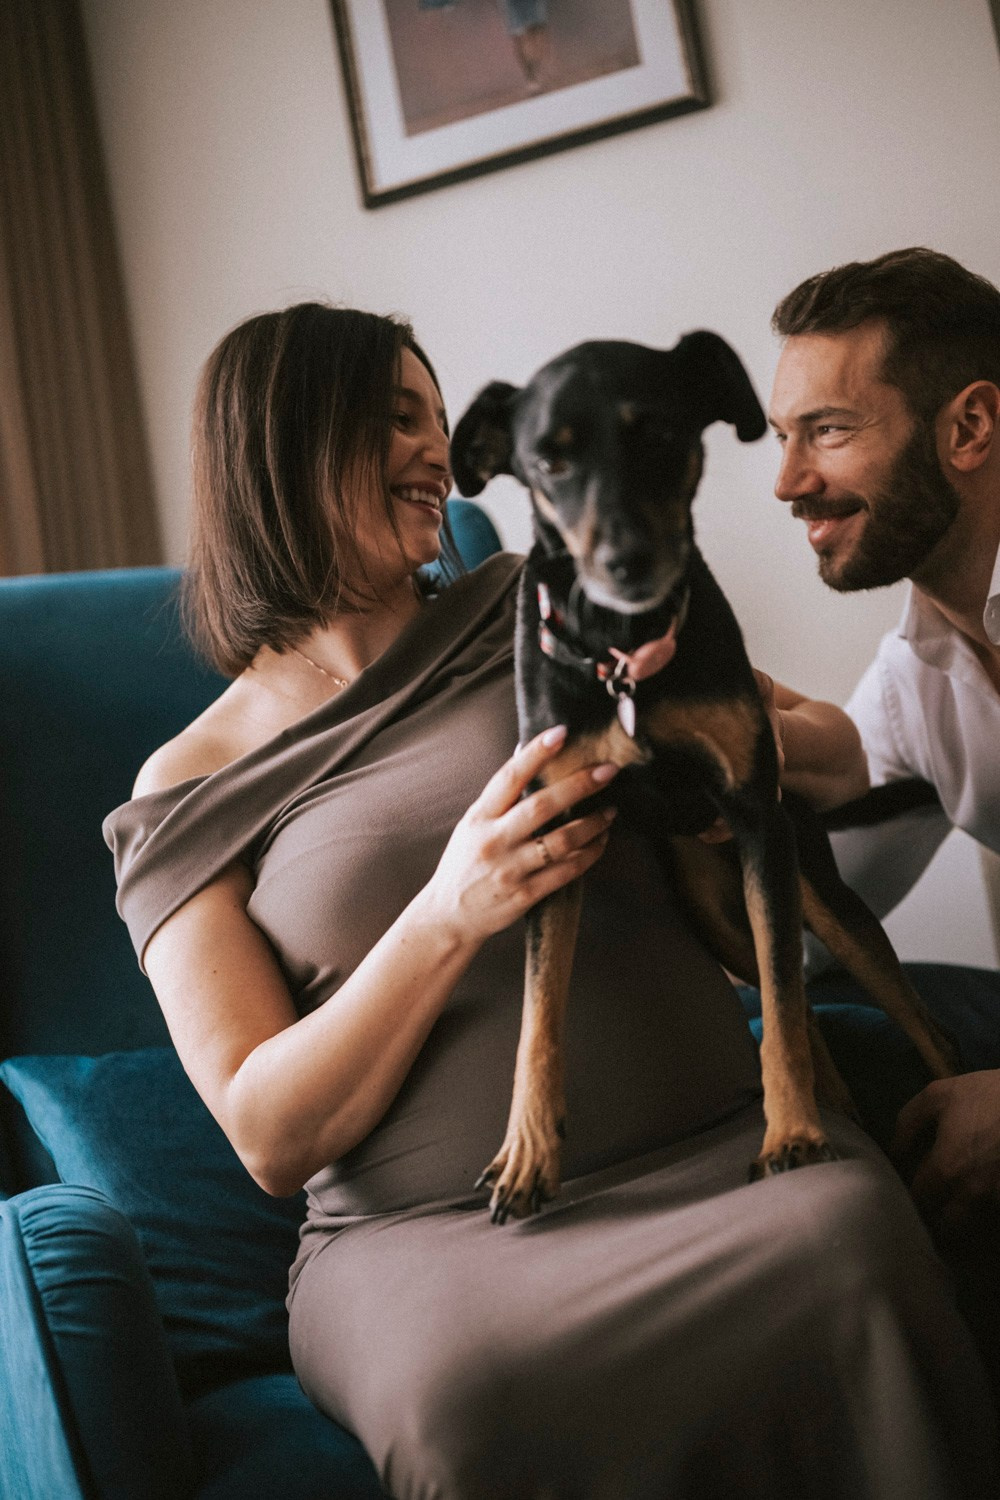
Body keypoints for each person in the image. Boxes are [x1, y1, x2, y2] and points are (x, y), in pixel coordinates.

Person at [104, 301, 996, 1498]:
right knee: (474, 1396)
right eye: (393, 420)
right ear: (280, 447)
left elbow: (812, 745)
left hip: (724, 1151)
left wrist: (732, 742)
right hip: (431, 1243)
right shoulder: (187, 786)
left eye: (434, 416)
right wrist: (447, 909)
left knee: (851, 1250)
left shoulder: (551, 592)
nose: (435, 451)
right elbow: (267, 1132)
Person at [768, 248, 1000, 1246]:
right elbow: (845, 761)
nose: (787, 482)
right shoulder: (921, 666)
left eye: (826, 431)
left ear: (968, 427)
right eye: (783, 438)